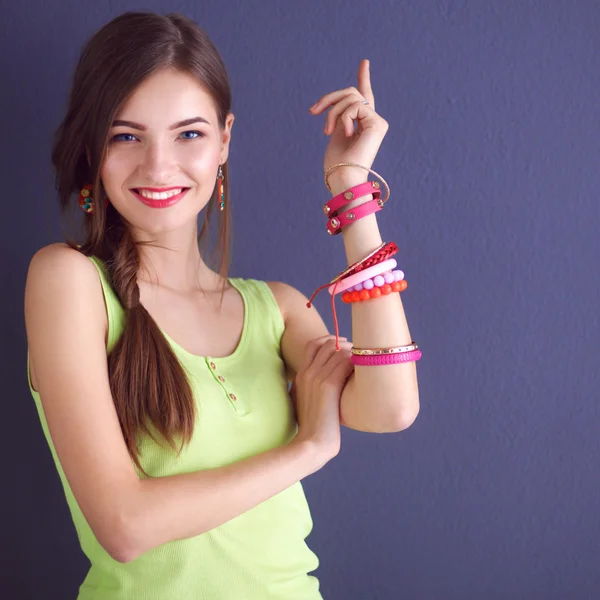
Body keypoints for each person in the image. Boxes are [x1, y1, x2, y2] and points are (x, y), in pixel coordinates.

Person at [24, 11, 420, 600]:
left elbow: (391, 408)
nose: (159, 166)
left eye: (189, 133)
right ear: (92, 147)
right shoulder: (69, 281)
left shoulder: (276, 309)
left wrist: (352, 190)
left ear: (224, 140)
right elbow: (125, 527)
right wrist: (308, 447)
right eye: (126, 135)